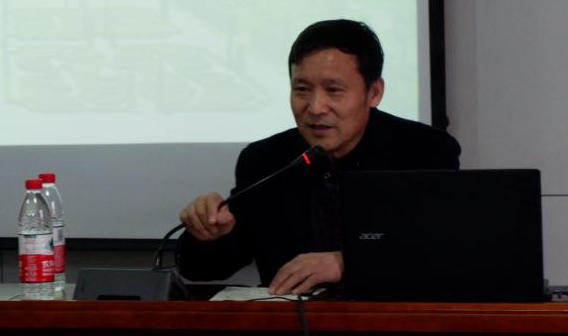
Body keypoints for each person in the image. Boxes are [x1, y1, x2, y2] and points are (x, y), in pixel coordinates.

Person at [176, 19, 460, 295]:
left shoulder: (424, 151)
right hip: (291, 323)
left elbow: (444, 253)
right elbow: (204, 268)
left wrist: (345, 262)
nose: (315, 107)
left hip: (394, 321)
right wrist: (210, 234)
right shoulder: (265, 159)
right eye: (302, 90)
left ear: (374, 92)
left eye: (333, 91)